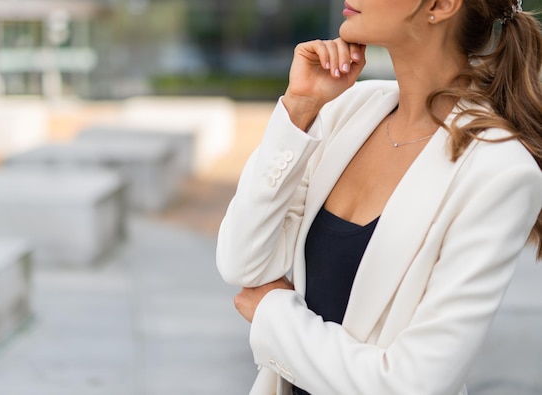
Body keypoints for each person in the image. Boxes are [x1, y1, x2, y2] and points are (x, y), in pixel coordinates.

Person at [215, 0, 542, 394]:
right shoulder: (348, 110)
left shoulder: (500, 172)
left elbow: (413, 385)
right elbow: (241, 264)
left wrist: (274, 317)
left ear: (440, 5)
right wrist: (299, 108)